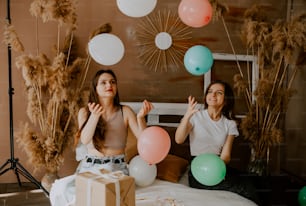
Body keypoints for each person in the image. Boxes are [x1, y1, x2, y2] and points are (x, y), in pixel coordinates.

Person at [49, 69, 153, 206]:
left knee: (102, 196)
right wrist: (95, 116)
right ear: (95, 88)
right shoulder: (85, 112)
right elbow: (85, 140)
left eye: (112, 82)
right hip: (89, 167)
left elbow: (144, 139)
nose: (109, 85)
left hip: (115, 168)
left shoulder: (125, 111)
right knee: (62, 189)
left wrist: (140, 118)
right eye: (103, 83)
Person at [175, 80, 260, 204]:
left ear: (226, 100)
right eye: (210, 92)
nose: (213, 95)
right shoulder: (195, 116)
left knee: (256, 180)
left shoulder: (229, 124)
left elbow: (226, 156)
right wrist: (187, 115)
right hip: (198, 169)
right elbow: (179, 139)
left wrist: (216, 169)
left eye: (219, 92)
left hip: (218, 166)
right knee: (248, 189)